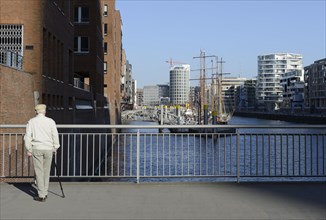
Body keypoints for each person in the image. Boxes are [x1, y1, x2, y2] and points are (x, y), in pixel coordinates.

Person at [24, 104, 60, 202]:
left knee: (39, 171)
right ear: (44, 111)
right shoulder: (50, 121)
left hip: (37, 148)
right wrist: (55, 147)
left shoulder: (31, 122)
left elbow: (27, 137)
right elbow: (55, 135)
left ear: (36, 111)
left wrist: (29, 149)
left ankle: (41, 194)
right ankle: (45, 191)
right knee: (46, 171)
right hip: (48, 148)